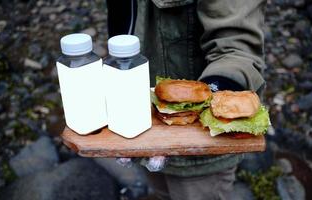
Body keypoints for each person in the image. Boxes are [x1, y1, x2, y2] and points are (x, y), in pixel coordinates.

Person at [106, 0, 266, 199]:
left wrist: (214, 99)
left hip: (200, 152)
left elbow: (237, 46)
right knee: (162, 192)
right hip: (143, 130)